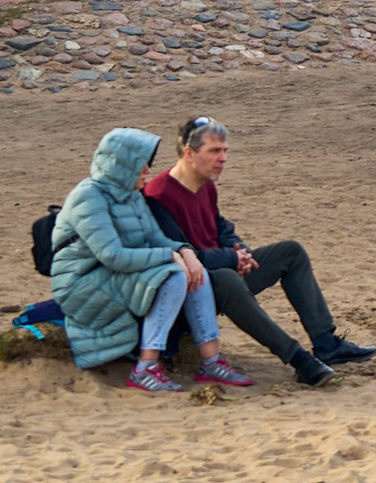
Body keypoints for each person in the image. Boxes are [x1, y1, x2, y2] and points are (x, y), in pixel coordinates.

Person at [141, 116, 372, 387]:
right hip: (192, 290)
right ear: (190, 154)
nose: (223, 158)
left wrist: (242, 251)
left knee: (290, 252)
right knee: (226, 279)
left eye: (225, 150)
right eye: (215, 151)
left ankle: (326, 343)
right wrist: (231, 258)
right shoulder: (159, 194)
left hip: (222, 271)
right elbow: (182, 254)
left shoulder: (205, 183)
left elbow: (221, 227)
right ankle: (298, 359)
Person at [49, 126, 253, 393]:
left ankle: (211, 362)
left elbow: (156, 238)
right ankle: (146, 368)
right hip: (81, 281)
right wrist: (171, 257)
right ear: (122, 165)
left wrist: (186, 253)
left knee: (194, 269)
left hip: (113, 274)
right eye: (141, 164)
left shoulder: (131, 196)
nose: (147, 170)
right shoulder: (88, 197)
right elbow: (113, 256)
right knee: (174, 274)